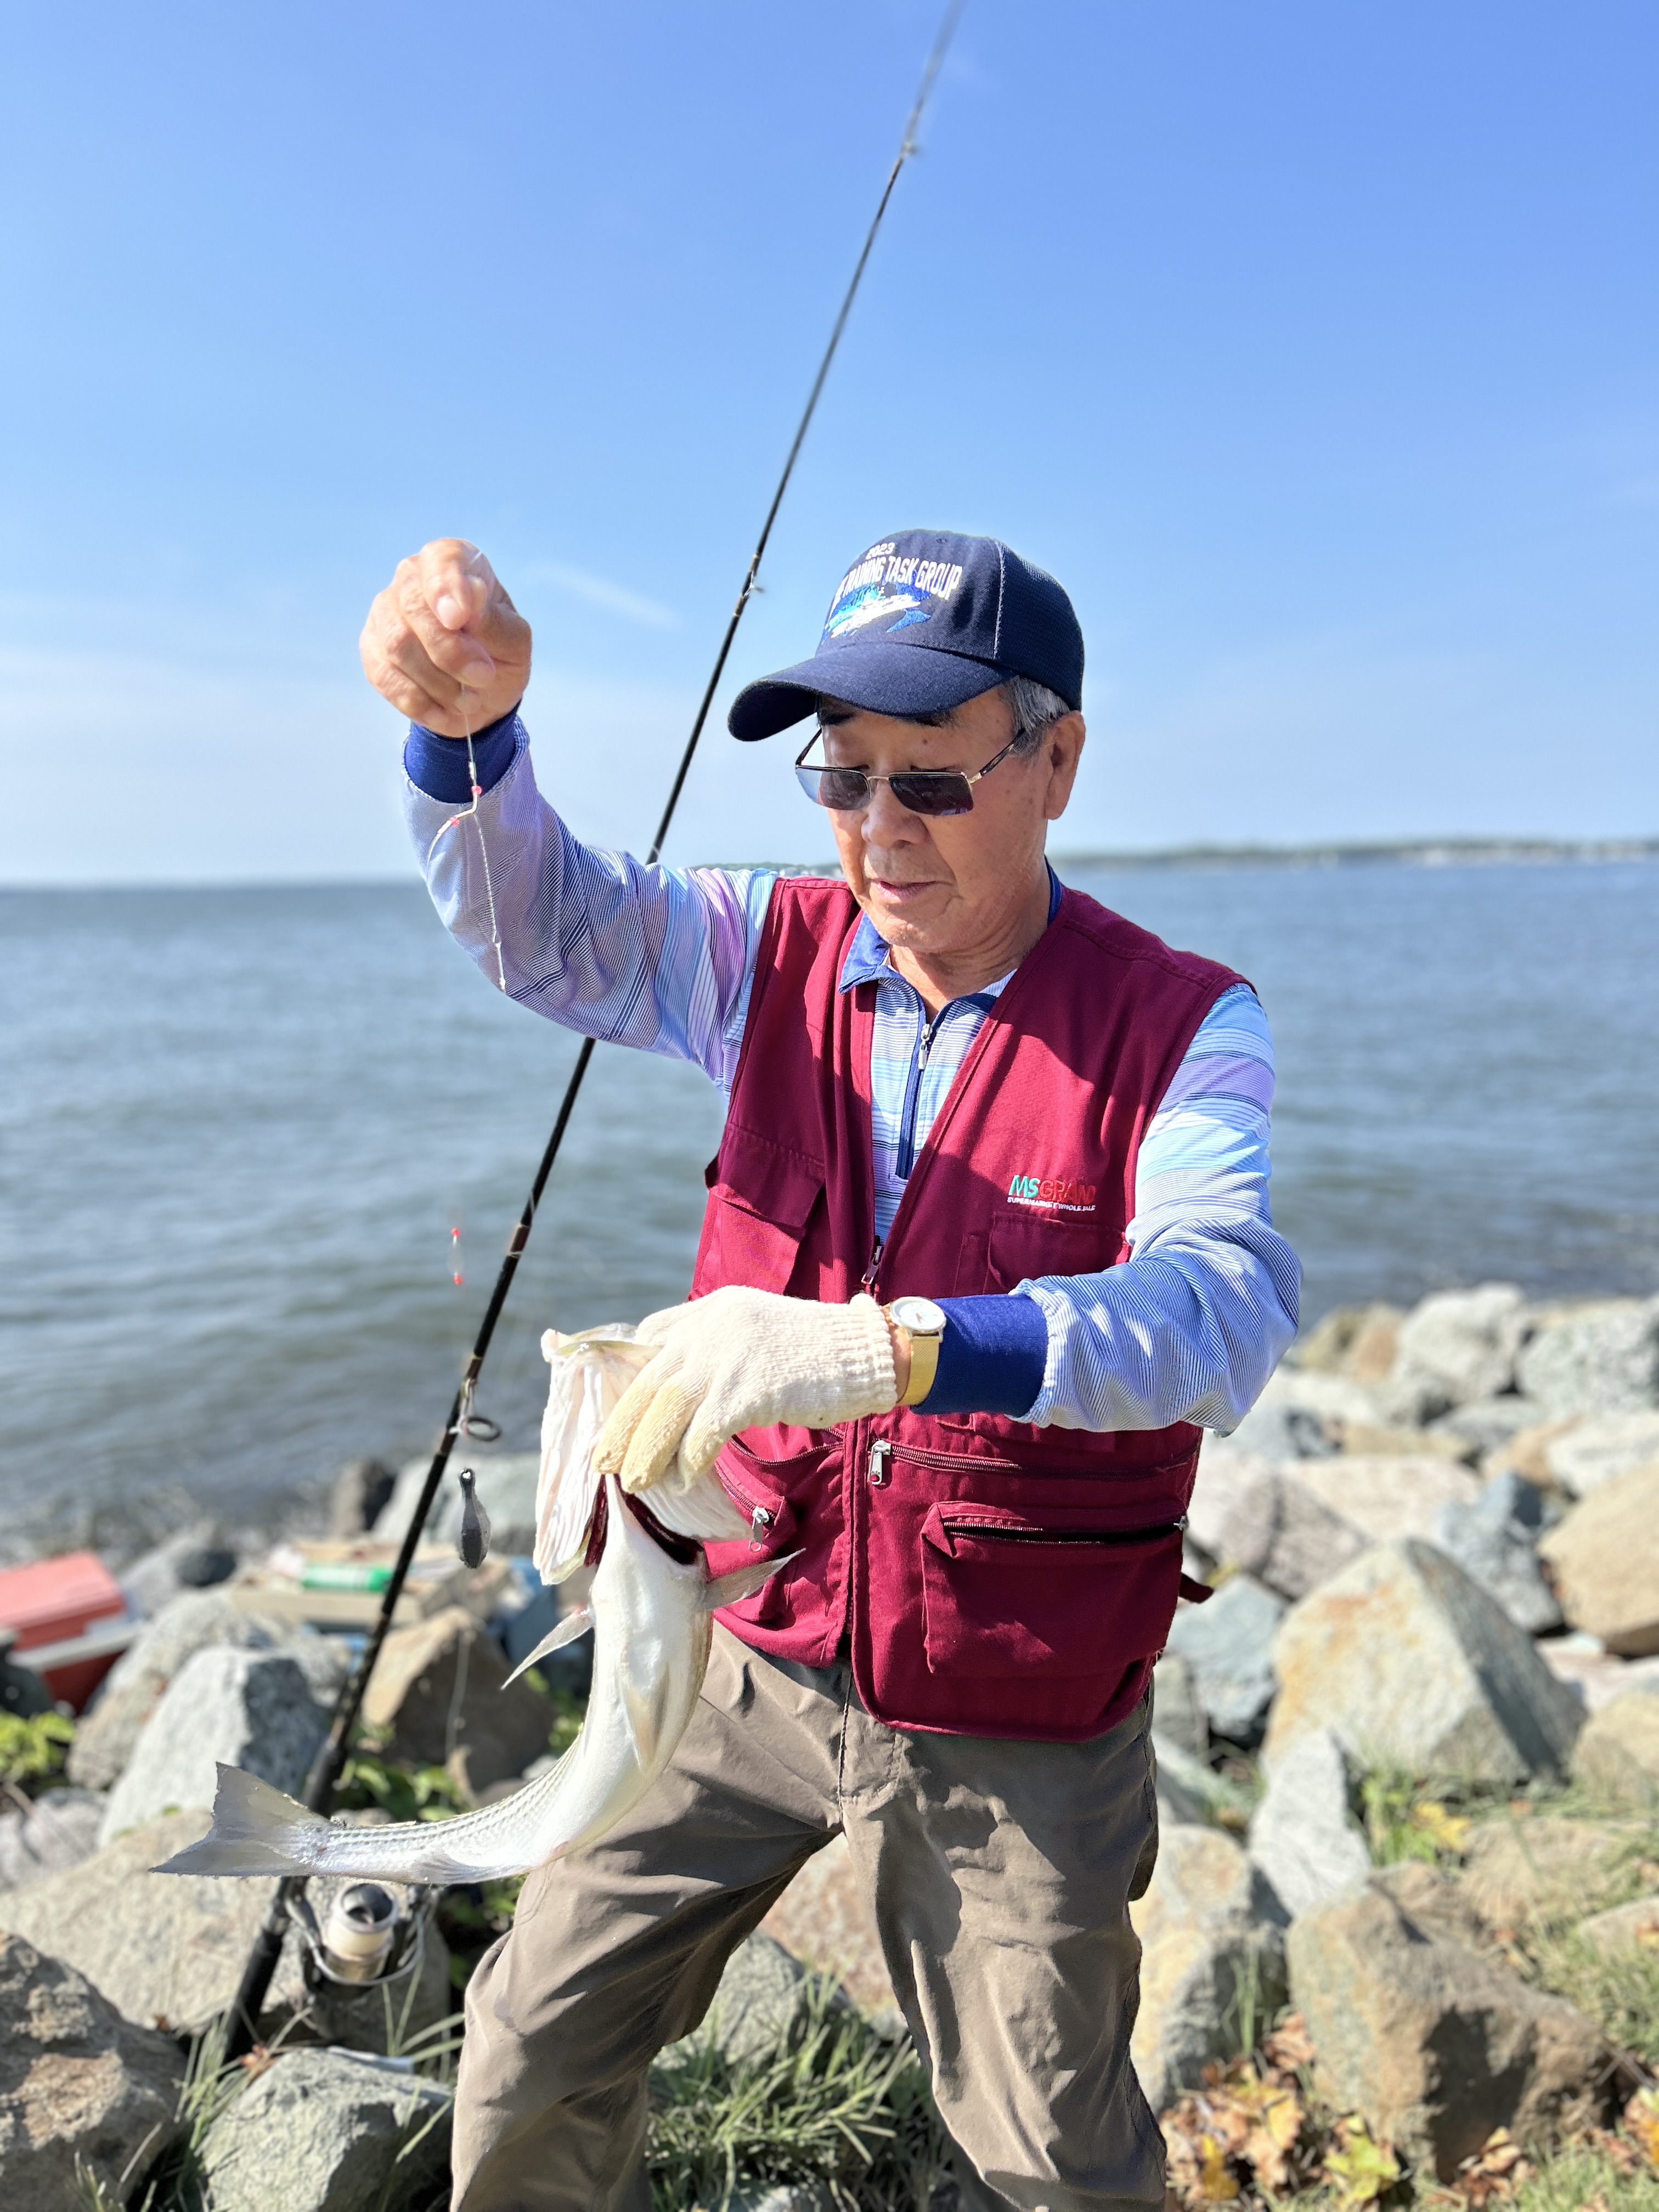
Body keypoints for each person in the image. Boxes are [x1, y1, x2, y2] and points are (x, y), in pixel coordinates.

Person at [362, 528, 1300, 2212]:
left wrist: (887, 1347)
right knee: (529, 2047)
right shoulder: (763, 950)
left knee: (1055, 2159)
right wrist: (468, 738)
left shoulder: (1184, 1026)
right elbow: (546, 928)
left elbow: (1215, 1309)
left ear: (1058, 763)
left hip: (1016, 1696)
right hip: (745, 1645)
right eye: (842, 778)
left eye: (930, 780)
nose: (878, 829)